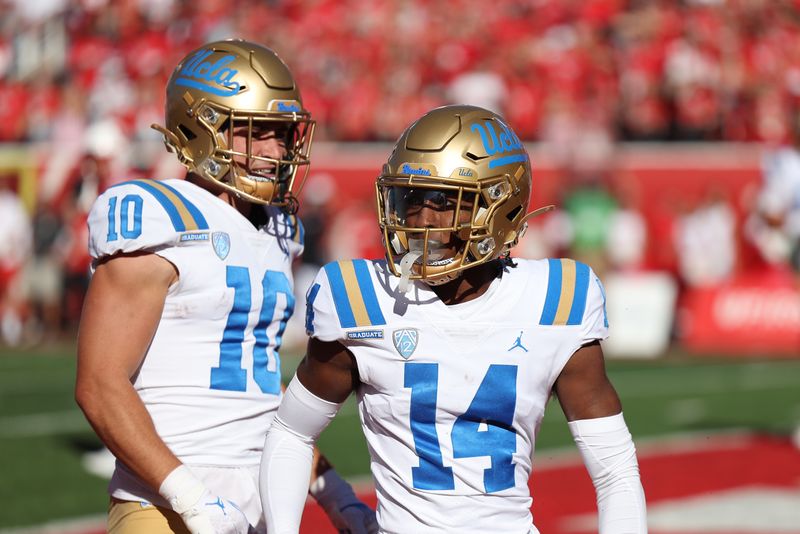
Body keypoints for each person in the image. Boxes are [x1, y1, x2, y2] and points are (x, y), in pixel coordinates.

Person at [260, 105, 647, 533]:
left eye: (445, 202)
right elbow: (291, 432)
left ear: (500, 208)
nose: (422, 221)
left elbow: (614, 467)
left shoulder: (556, 301)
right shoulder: (360, 298)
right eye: (410, 199)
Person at [75, 39, 376, 534]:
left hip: (258, 504)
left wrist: (337, 496)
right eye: (253, 134)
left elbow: (258, 396)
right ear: (199, 127)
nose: (274, 151)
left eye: (281, 135)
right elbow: (100, 384)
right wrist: (192, 500)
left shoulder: (278, 230)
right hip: (164, 505)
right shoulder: (157, 215)